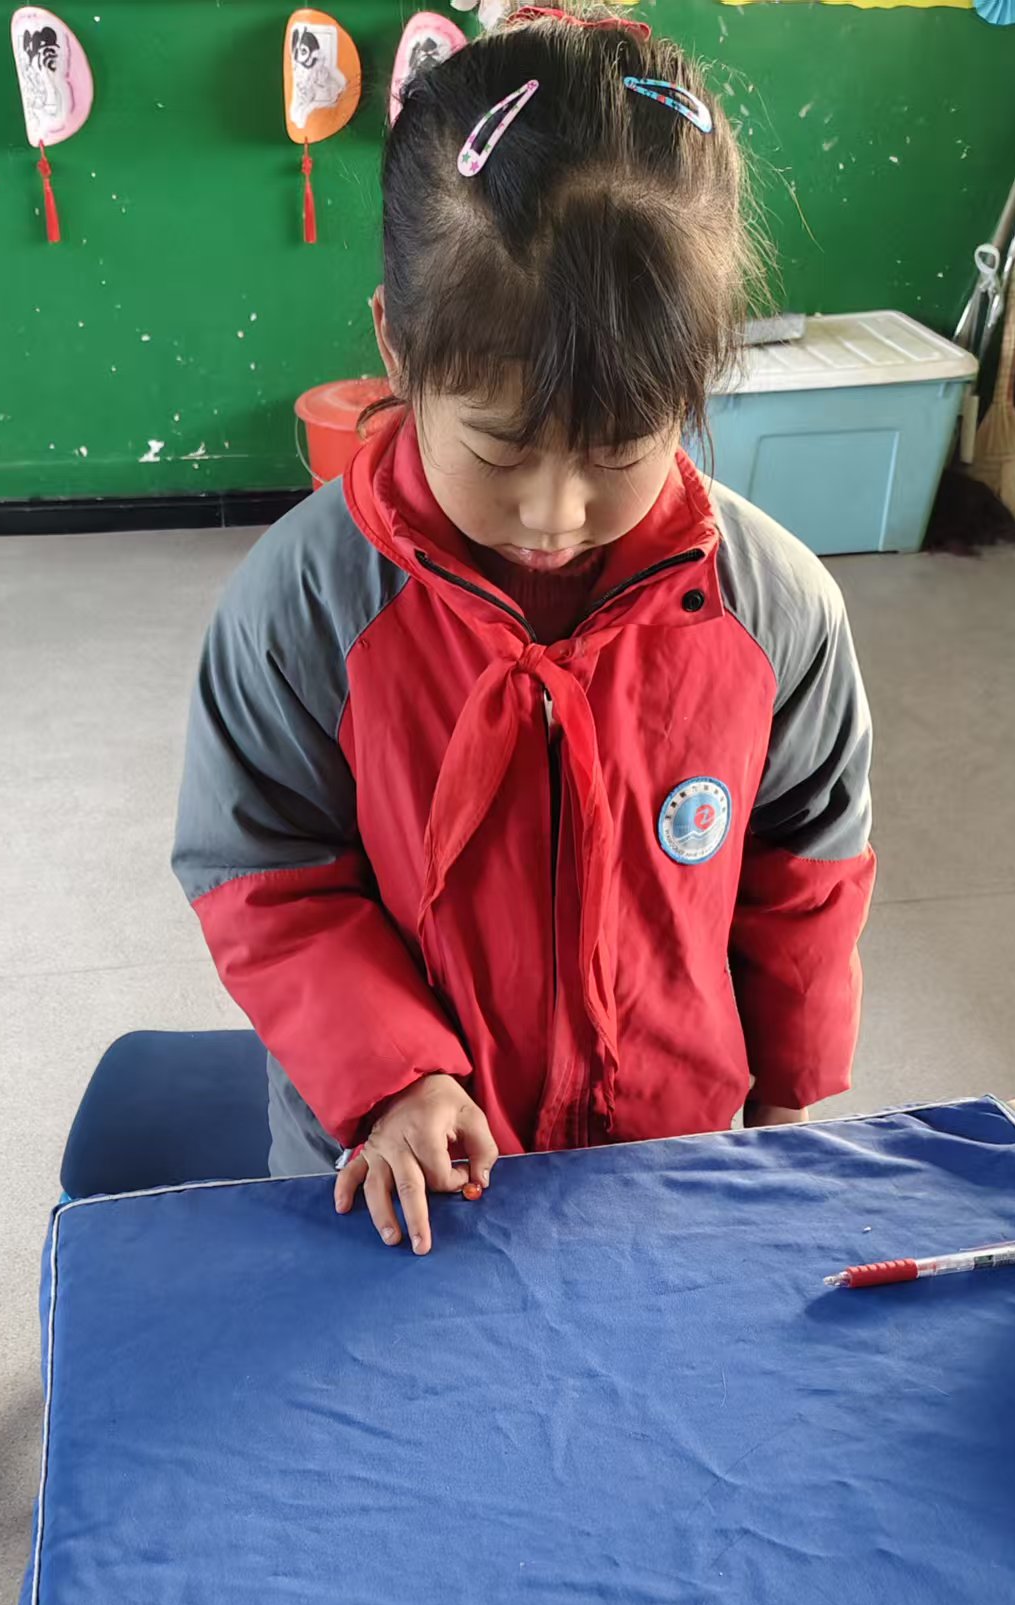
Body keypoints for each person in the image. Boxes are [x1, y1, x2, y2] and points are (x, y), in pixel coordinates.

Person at [173, 5, 875, 1255]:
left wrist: (788, 1097)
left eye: (620, 449)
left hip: (669, 1156)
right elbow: (264, 877)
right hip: (402, 1171)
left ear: (694, 386)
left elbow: (804, 873)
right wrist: (390, 1075)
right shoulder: (299, 612)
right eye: (500, 450)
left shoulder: (776, 612)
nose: (554, 514)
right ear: (398, 348)